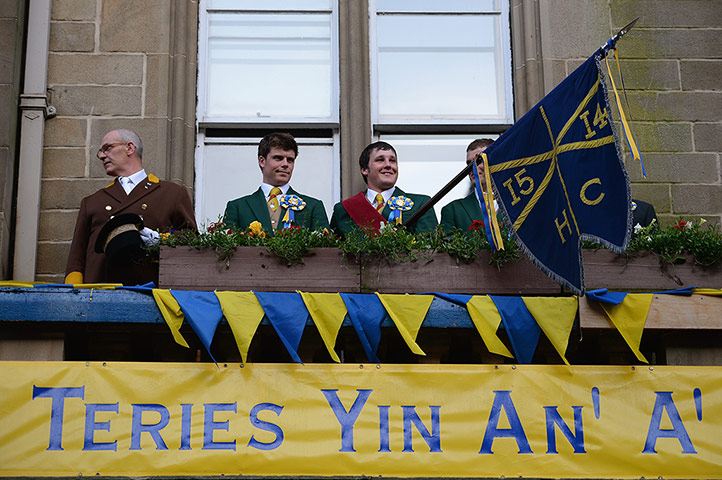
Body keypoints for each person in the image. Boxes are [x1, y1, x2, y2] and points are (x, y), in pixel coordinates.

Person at [65, 129, 197, 285]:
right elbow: (76, 258)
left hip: (151, 291)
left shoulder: (171, 193)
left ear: (129, 148)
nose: (101, 156)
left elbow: (192, 240)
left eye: (107, 148)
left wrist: (160, 240)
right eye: (100, 152)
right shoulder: (92, 201)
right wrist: (74, 295)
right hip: (99, 291)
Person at [223, 132, 329, 234]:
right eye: (278, 158)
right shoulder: (237, 207)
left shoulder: (313, 207)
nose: (285, 164)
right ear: (262, 161)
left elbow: (324, 250)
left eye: (290, 160)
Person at [330, 141, 438, 236]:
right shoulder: (343, 210)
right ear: (364, 169)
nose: (388, 165)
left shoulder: (421, 204)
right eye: (380, 160)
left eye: (392, 161)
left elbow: (429, 251)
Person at [440, 138, 497, 232]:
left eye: (479, 161)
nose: (473, 168)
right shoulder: (453, 210)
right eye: (469, 164)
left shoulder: (518, 203)